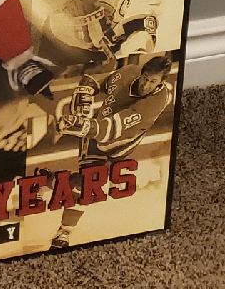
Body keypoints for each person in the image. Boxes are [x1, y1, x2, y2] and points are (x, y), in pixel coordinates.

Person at [48, 54, 173, 250]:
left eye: (153, 82)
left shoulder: (156, 101)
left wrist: (80, 125)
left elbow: (109, 130)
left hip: (121, 143)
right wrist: (85, 91)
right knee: (89, 187)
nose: (146, 85)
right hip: (95, 140)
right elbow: (93, 81)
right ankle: (64, 232)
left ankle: (49, 181)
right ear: (141, 73)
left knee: (95, 184)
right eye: (145, 78)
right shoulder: (127, 72)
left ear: (161, 83)